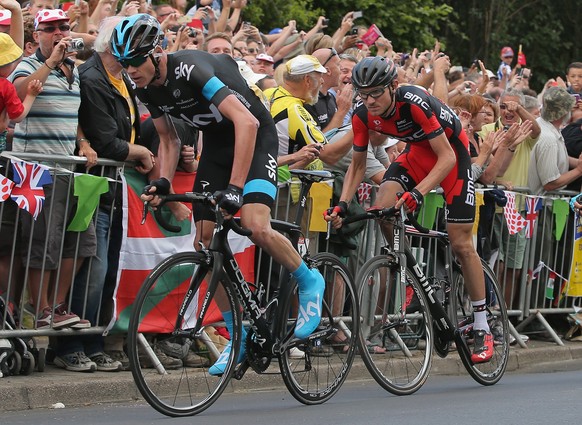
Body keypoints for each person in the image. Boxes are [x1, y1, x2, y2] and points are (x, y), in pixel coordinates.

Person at [109, 14, 325, 376]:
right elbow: (168, 139)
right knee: (204, 243)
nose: (129, 70)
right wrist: (163, 182)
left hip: (254, 140)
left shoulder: (190, 69)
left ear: (156, 52)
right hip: (218, 149)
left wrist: (236, 190)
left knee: (255, 225)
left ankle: (307, 279)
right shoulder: (146, 87)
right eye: (123, 63)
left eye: (134, 61)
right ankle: (238, 337)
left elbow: (248, 122)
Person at [324, 56, 494, 364]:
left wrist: (418, 192)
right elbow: (358, 165)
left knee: (460, 243)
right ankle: (403, 259)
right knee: (382, 205)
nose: (369, 100)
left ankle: (482, 324)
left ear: (393, 86)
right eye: (363, 93)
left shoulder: (415, 101)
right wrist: (343, 204)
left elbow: (446, 158)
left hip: (452, 159)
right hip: (416, 156)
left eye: (376, 92)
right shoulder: (363, 115)